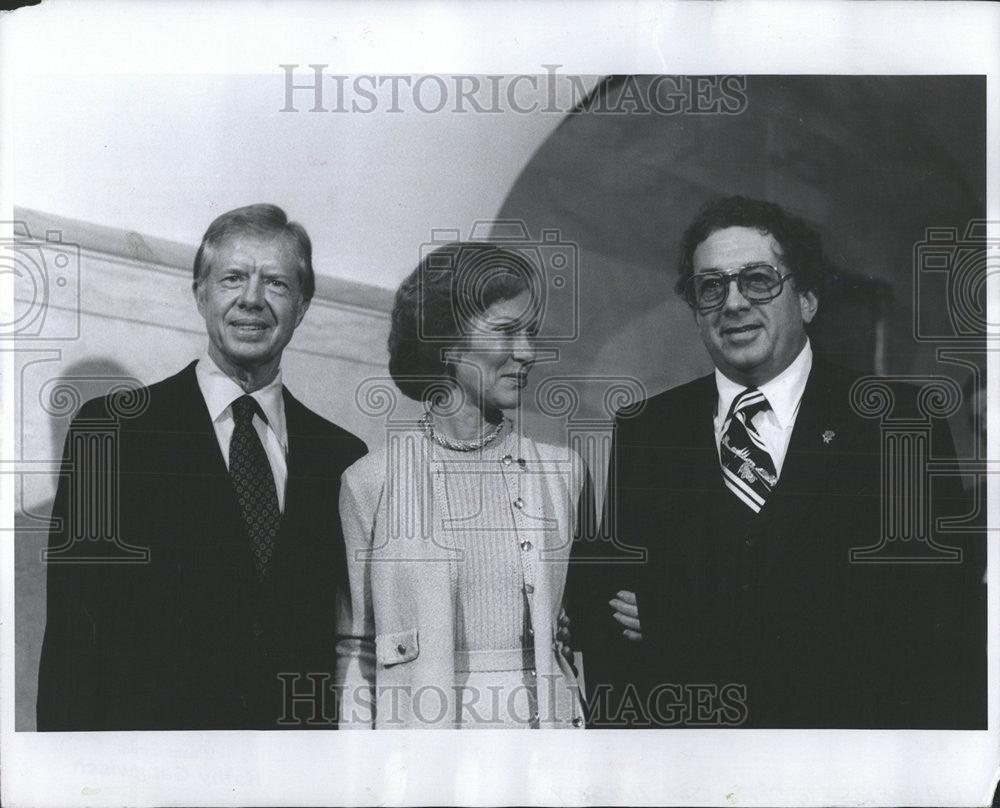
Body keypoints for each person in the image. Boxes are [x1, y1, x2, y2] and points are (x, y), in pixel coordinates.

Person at [574, 195, 986, 728]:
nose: (734, 303)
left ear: (809, 298)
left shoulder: (898, 423)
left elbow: (936, 628)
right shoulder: (646, 430)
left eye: (759, 280)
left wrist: (684, 618)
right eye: (711, 287)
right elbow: (614, 632)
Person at [37, 204, 367, 730]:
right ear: (201, 293)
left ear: (302, 305)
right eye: (233, 277)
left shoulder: (344, 458)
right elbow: (74, 636)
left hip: (292, 771)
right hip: (152, 770)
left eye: (276, 283)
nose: (252, 299)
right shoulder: (112, 434)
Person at [336, 242, 589, 729]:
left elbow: (573, 633)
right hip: (423, 746)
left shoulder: (564, 473)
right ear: (448, 344)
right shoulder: (370, 483)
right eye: (506, 332)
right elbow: (356, 652)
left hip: (542, 749)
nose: (528, 352)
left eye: (530, 333)